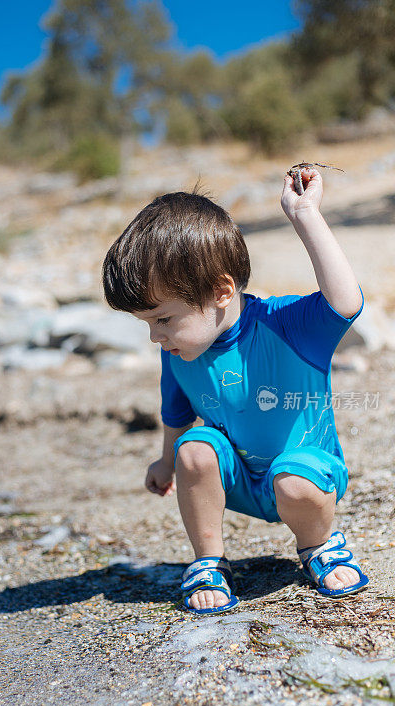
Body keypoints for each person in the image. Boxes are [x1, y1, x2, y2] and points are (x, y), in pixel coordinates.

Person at [102, 167, 369, 614]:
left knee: (295, 482)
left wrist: (305, 214)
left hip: (306, 472)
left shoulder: (286, 326)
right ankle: (209, 560)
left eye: (163, 319)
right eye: (146, 324)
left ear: (221, 291)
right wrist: (167, 462)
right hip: (240, 479)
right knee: (194, 449)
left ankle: (318, 546)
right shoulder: (179, 353)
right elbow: (176, 414)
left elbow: (345, 302)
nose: (155, 338)